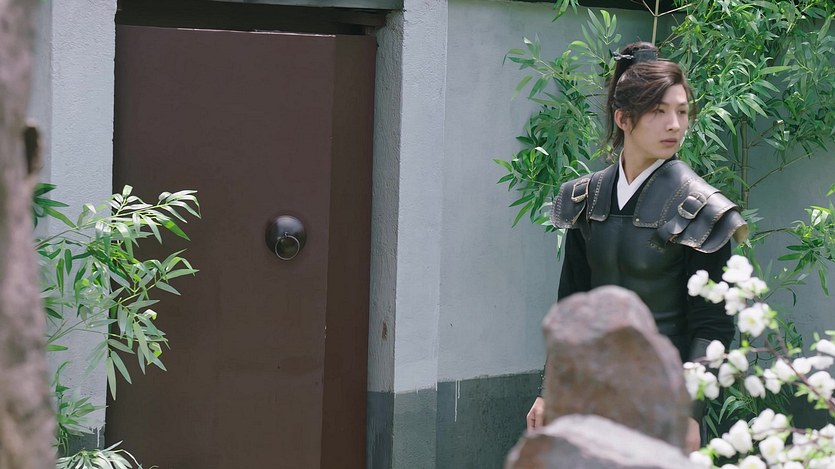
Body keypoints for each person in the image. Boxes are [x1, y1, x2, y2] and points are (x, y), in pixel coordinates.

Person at [525, 42, 748, 452]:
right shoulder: (585, 199)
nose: (674, 125)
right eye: (659, 111)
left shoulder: (702, 210)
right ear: (623, 118)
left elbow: (713, 326)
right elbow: (573, 309)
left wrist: (690, 413)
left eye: (682, 112)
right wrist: (549, 391)